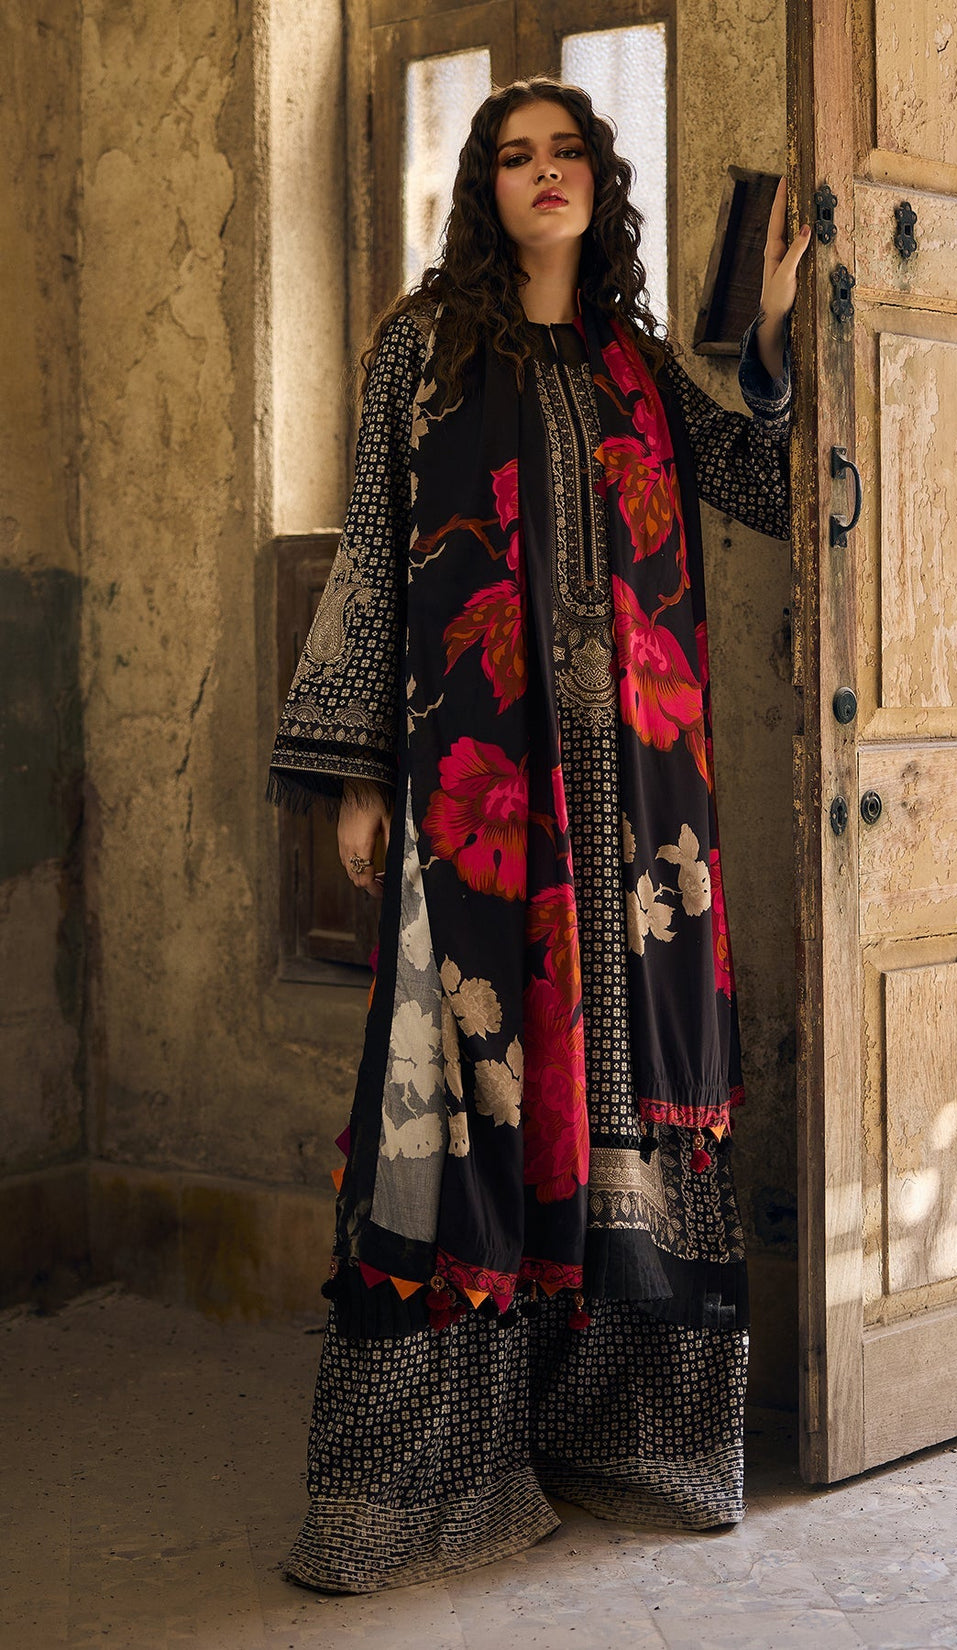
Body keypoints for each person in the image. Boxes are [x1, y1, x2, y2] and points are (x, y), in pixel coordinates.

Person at [267, 76, 809, 1594]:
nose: (546, 174)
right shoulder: (421, 349)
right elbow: (375, 546)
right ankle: (430, 1470)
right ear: (484, 188)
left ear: (599, 181)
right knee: (470, 1090)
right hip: (479, 798)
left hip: (642, 809)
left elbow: (759, 486)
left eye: (569, 152)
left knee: (630, 1081)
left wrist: (771, 343)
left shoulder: (637, 360)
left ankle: (623, 1435)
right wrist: (360, 777)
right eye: (517, 157)